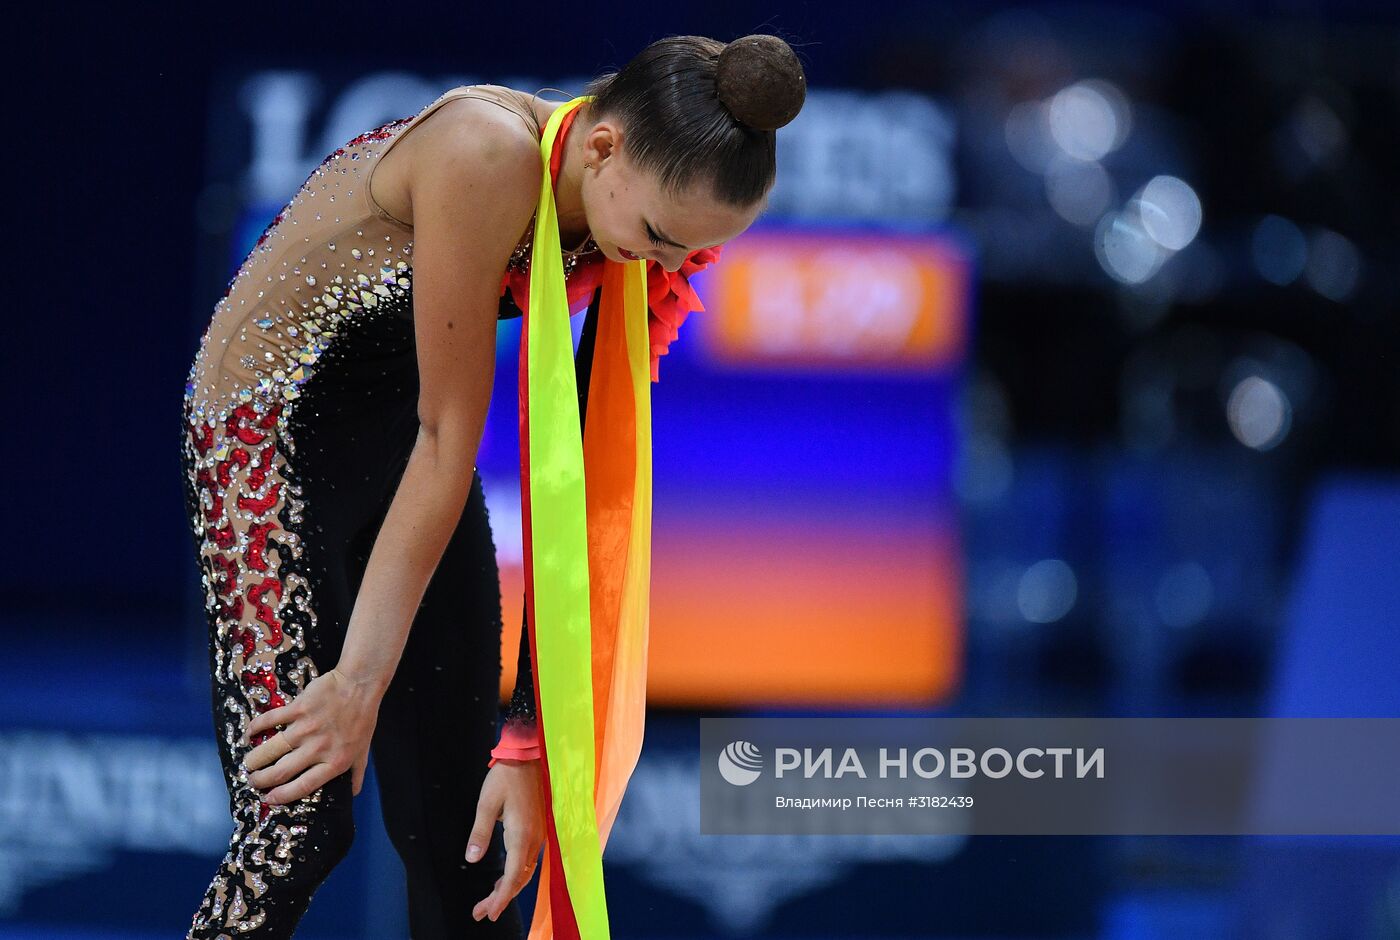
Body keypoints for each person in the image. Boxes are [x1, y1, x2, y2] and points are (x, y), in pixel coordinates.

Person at [178, 33, 806, 939]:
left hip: (403, 443)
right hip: (263, 437)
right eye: (664, 241)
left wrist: (526, 736)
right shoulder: (486, 152)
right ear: (603, 148)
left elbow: (583, 494)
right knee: (297, 829)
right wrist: (357, 682)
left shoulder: (625, 222)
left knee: (476, 834)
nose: (664, 271)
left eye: (691, 256)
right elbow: (448, 433)